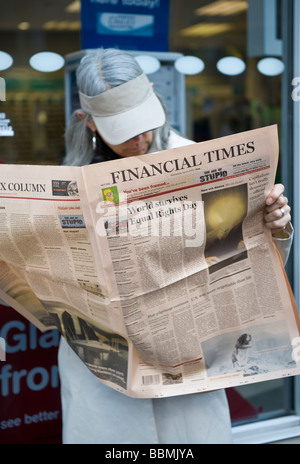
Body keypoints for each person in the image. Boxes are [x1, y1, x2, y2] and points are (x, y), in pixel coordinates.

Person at [60, 48, 293, 444]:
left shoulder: (196, 163)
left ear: (154, 95)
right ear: (88, 123)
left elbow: (242, 268)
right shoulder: (70, 184)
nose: (140, 139)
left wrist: (275, 228)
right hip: (105, 377)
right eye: (123, 131)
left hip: (188, 365)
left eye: (144, 124)